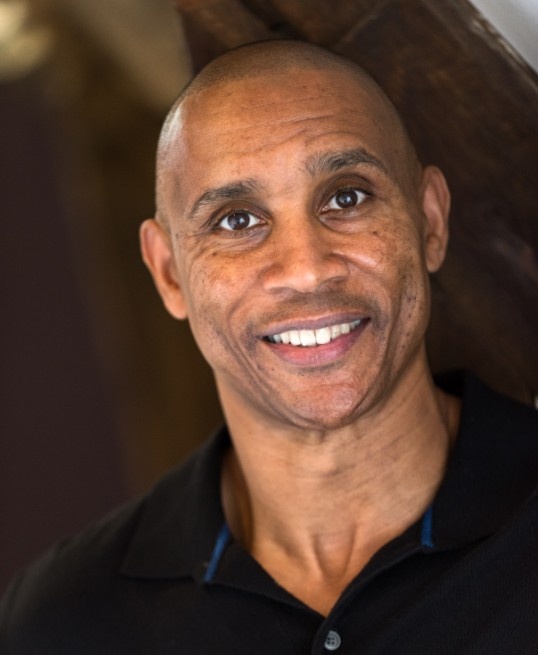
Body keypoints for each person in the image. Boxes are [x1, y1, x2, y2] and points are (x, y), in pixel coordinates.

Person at [1, 40, 537, 654]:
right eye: (237, 220)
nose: (307, 270)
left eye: (347, 197)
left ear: (430, 222)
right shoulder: (63, 624)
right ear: (169, 272)